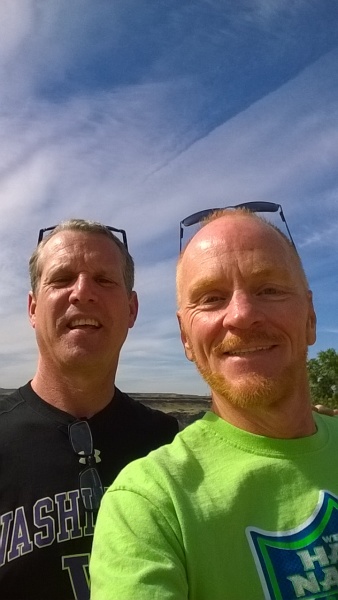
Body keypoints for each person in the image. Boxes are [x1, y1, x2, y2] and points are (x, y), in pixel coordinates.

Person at [90, 208, 338, 600]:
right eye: (211, 298)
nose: (241, 315)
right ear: (186, 337)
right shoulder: (151, 506)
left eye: (269, 289)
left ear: (310, 316)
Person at [0, 219, 179, 600]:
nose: (82, 292)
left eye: (104, 280)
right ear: (33, 308)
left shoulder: (169, 446)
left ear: (131, 310)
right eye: (62, 279)